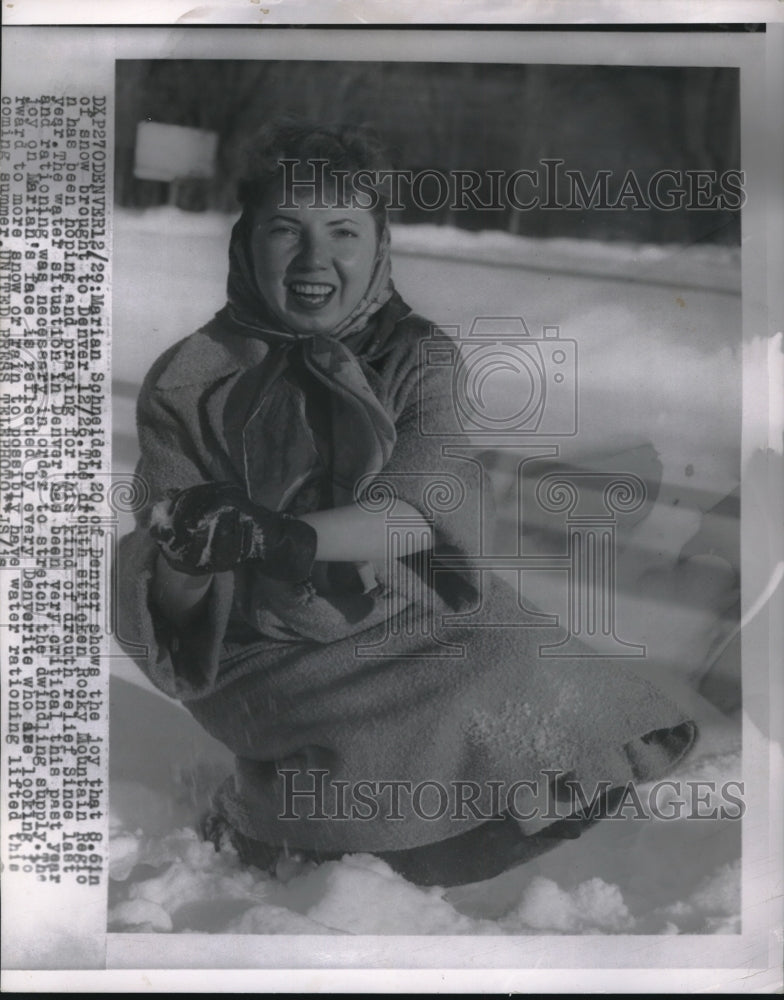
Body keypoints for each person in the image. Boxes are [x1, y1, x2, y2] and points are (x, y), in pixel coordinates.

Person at [118, 119, 697, 887]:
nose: (315, 257)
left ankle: (387, 829)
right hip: (267, 648)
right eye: (285, 228)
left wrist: (283, 535)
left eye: (343, 231)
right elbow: (169, 581)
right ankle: (290, 826)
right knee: (375, 812)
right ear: (245, 241)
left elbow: (415, 508)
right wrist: (191, 553)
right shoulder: (189, 377)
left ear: (380, 243)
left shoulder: (419, 356)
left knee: (532, 671)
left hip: (408, 607)